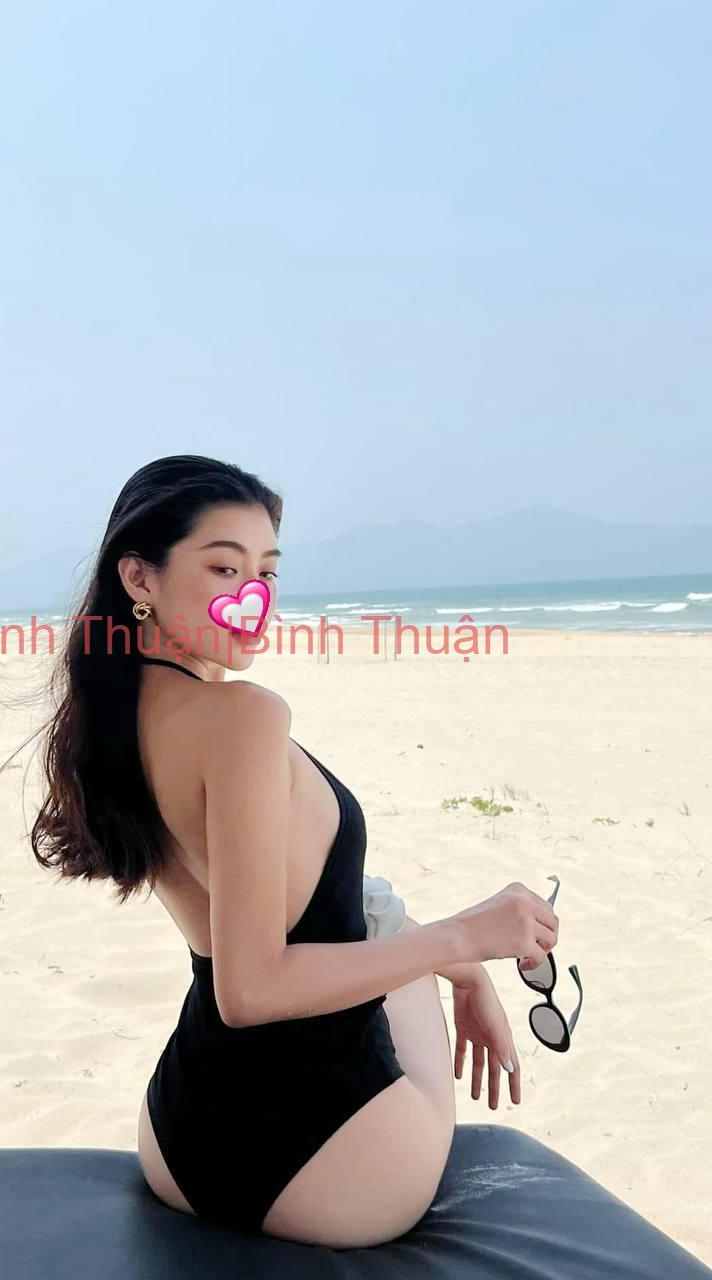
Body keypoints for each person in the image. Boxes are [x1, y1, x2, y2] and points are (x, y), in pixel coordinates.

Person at [30, 455, 559, 1248]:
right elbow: (253, 989)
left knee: (387, 935)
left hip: (181, 1144)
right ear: (139, 577)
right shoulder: (242, 718)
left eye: (267, 572)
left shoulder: (113, 719)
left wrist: (462, 968)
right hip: (340, 1167)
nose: (254, 596)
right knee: (400, 951)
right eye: (224, 568)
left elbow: (277, 924)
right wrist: (465, 941)